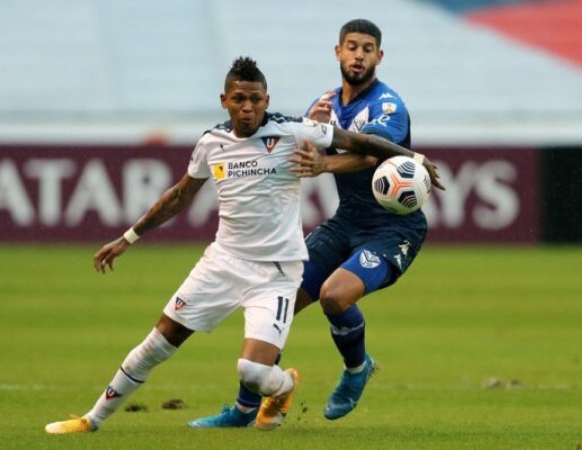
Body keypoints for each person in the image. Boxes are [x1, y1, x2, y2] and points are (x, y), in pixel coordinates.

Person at [45, 55, 440, 434]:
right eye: (239, 99)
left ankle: (283, 387)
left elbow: (361, 142)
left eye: (255, 100)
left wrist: (414, 157)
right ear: (225, 101)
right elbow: (179, 196)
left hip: (276, 272)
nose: (247, 108)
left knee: (251, 371)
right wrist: (129, 237)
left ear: (266, 100)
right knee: (159, 341)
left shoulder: (293, 131)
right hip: (222, 262)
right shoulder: (211, 143)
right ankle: (91, 419)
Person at [188, 19, 444, 428]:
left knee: (334, 296)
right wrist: (314, 129)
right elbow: (300, 146)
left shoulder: (387, 106)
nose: (358, 55)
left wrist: (325, 160)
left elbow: (371, 155)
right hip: (345, 222)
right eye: (351, 47)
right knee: (279, 301)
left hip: (393, 230)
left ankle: (357, 370)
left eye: (367, 49)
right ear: (338, 52)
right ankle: (246, 408)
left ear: (379, 57)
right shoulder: (325, 102)